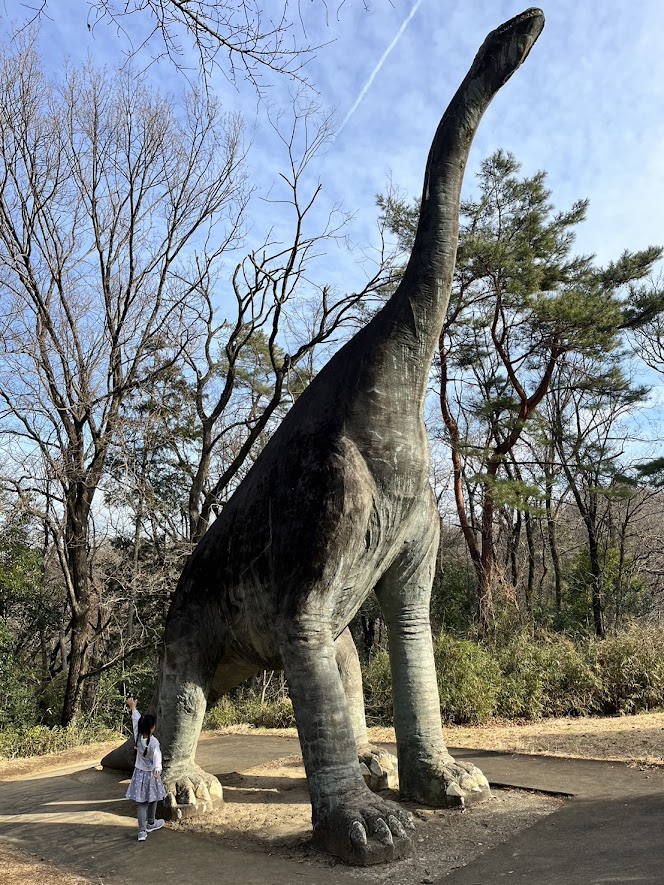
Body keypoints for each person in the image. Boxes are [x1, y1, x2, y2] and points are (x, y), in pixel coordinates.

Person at [125, 696, 167, 842]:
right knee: (152, 798)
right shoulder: (154, 742)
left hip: (139, 774)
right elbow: (157, 757)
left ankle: (145, 828)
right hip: (151, 775)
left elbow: (135, 722)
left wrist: (133, 708)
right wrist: (157, 769)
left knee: (143, 803)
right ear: (151, 728)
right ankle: (148, 825)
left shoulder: (137, 737)